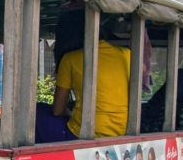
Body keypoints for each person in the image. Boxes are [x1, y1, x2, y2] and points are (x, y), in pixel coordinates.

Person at [35, 9, 131, 142]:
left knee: (38, 110)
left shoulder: (70, 59)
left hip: (84, 135)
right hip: (124, 131)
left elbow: (58, 110)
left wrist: (70, 113)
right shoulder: (126, 54)